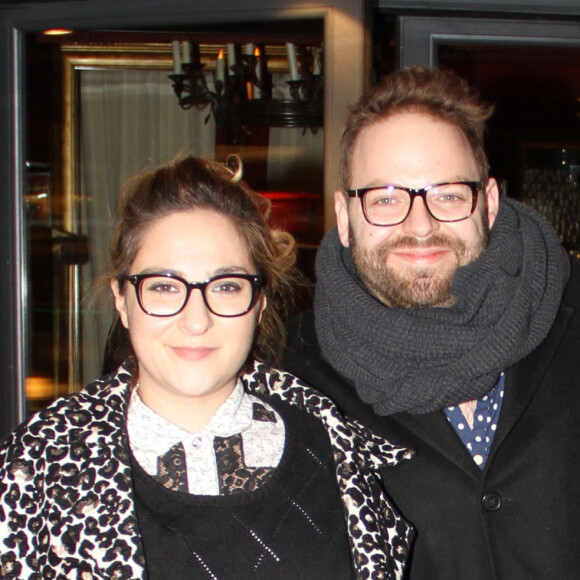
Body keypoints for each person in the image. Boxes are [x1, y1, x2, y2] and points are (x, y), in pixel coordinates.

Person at [0, 155, 414, 580]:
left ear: (260, 303)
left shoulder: (337, 453)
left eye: (227, 286)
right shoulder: (39, 471)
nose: (196, 320)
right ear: (121, 299)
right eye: (163, 286)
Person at [284, 66, 580, 579]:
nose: (419, 225)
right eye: (385, 199)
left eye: (446, 194)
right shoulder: (290, 376)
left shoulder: (570, 317)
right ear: (344, 216)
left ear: (487, 203)